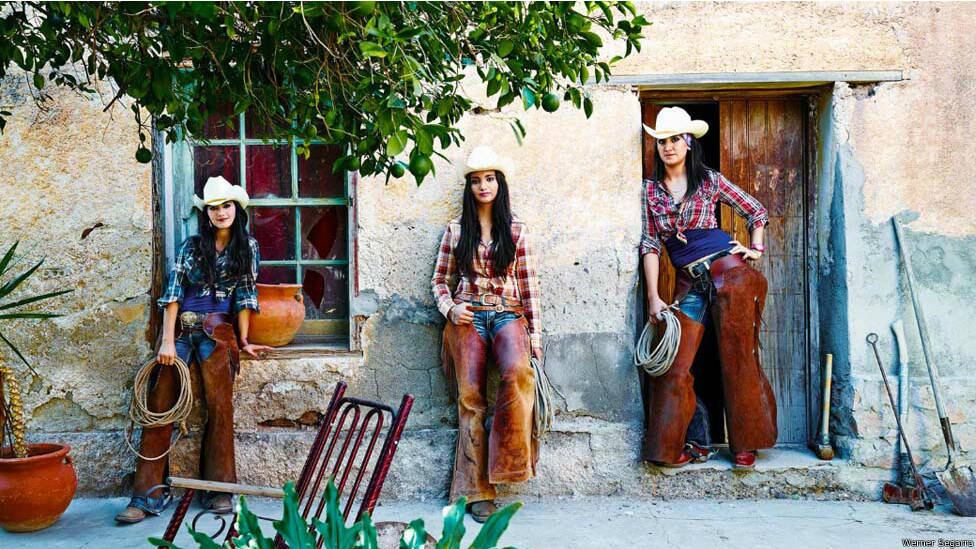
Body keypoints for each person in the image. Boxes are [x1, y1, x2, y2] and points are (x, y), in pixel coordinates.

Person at [116, 176, 271, 524]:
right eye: (213, 208)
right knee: (160, 406)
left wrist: (244, 340)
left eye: (226, 206)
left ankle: (219, 489)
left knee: (220, 408)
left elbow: (246, 295)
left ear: (237, 209)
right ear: (206, 213)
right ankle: (146, 495)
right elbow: (173, 293)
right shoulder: (191, 246)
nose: (220, 212)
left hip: (219, 331)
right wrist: (166, 340)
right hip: (182, 331)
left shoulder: (248, 247)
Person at [639, 107, 778, 471]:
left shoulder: (709, 180)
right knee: (674, 363)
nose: (668, 146)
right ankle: (673, 447)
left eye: (674, 139)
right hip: (690, 283)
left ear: (688, 142)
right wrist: (654, 297)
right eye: (662, 141)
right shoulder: (649, 191)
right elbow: (650, 244)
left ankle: (745, 444)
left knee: (739, 359)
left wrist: (755, 248)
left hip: (729, 272)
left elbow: (756, 211)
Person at [431, 146, 542, 523]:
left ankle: (508, 466)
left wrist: (536, 339)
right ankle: (477, 492)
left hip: (508, 313)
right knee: (470, 398)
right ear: (469, 187)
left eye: (490, 179)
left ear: (500, 184)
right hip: (467, 315)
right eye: (476, 180)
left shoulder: (517, 230)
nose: (484, 186)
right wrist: (450, 309)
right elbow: (439, 281)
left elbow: (529, 288)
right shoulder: (456, 231)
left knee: (517, 374)